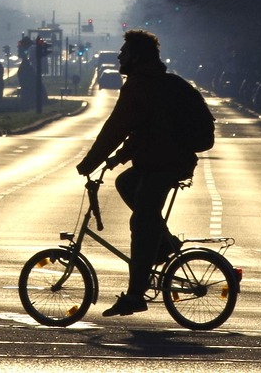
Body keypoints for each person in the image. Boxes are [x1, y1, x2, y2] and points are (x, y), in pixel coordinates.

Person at [76, 29, 201, 316]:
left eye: (124, 52)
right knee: (126, 182)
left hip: (164, 164)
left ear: (136, 57)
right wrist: (118, 159)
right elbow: (144, 131)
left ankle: (135, 295)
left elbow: (116, 128)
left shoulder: (141, 86)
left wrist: (89, 164)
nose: (120, 55)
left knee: (142, 225)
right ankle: (165, 243)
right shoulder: (155, 83)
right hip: (163, 159)